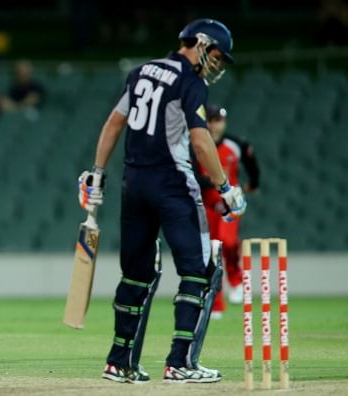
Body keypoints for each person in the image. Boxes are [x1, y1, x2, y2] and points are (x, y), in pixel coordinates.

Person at [78, 19, 246, 384]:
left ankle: (118, 361)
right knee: (198, 270)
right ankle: (180, 362)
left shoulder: (141, 72)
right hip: (172, 183)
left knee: (135, 276)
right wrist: (225, 187)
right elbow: (201, 142)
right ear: (200, 43)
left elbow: (112, 124)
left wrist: (97, 172)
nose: (216, 63)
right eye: (216, 53)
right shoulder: (191, 82)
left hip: (132, 182)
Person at [195, 106, 260, 319]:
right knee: (211, 253)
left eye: (218, 120)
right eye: (211, 120)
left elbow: (252, 164)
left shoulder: (236, 144)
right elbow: (194, 176)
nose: (214, 125)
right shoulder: (196, 145)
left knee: (228, 242)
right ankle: (216, 303)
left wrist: (253, 184)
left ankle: (235, 279)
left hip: (231, 203)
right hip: (207, 205)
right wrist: (212, 183)